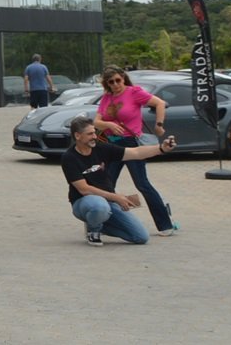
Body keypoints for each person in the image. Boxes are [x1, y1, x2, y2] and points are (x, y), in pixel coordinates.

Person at [61, 114, 176, 246]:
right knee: (99, 205)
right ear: (77, 136)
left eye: (95, 132)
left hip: (108, 202)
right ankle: (93, 231)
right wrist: (116, 197)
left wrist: (161, 149)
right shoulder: (69, 158)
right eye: (90, 134)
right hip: (84, 203)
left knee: (141, 237)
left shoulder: (102, 148)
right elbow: (84, 189)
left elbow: (136, 152)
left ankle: (98, 223)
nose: (94, 137)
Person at [94, 66, 177, 235]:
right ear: (107, 84)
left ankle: (165, 224)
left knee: (142, 183)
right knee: (106, 184)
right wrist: (108, 124)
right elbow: (96, 121)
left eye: (118, 80)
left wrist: (159, 125)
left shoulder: (134, 92)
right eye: (111, 82)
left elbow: (160, 103)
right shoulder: (106, 98)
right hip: (112, 145)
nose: (116, 84)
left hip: (131, 143)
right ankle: (104, 223)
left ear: (123, 78)